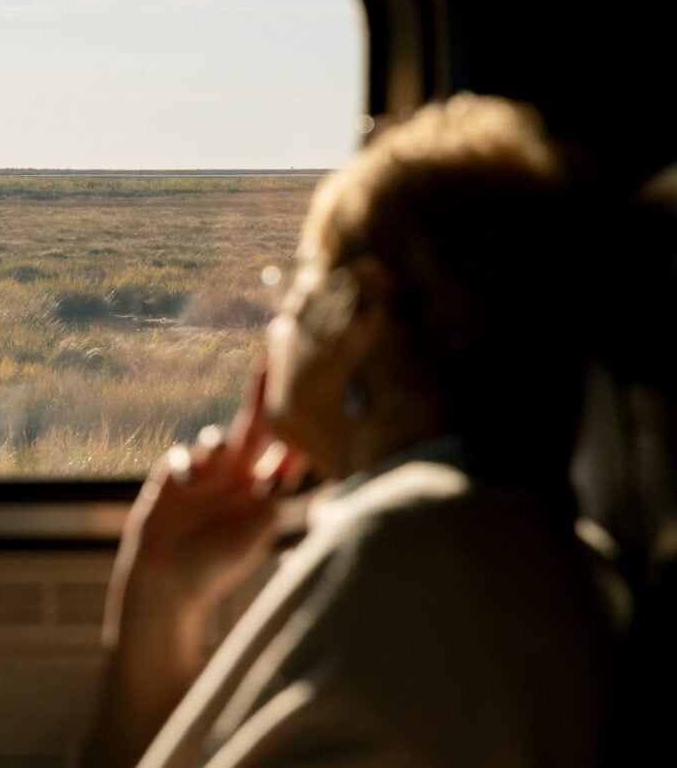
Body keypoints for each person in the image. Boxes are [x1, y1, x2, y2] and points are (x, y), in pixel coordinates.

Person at [82, 95, 617, 768]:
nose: (277, 327)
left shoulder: (406, 546)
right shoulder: (504, 536)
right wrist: (161, 597)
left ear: (361, 306)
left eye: (297, 288)